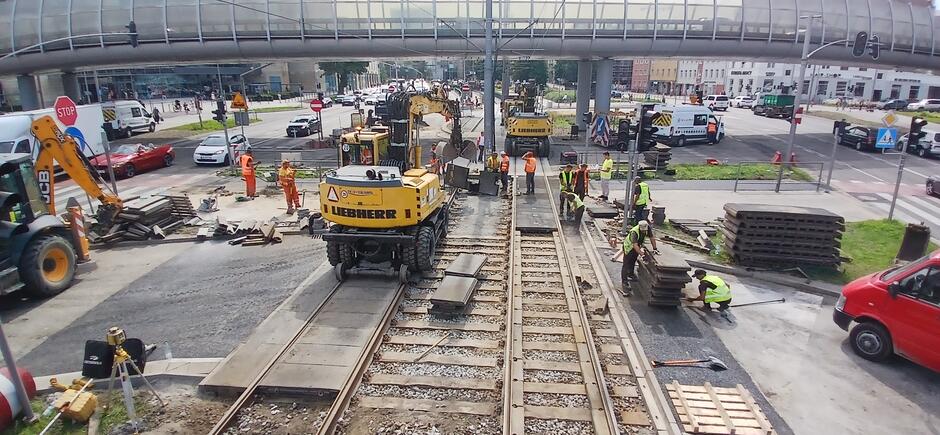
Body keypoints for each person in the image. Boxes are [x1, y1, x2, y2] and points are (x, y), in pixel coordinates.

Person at [621, 220, 659, 294]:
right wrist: (642, 254)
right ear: (639, 228)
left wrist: (655, 248)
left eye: (645, 231)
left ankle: (631, 274)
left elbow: (652, 238)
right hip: (629, 247)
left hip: (636, 246)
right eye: (643, 231)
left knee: (633, 260)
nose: (644, 232)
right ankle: (624, 282)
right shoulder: (634, 232)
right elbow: (634, 245)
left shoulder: (647, 228)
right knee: (626, 264)